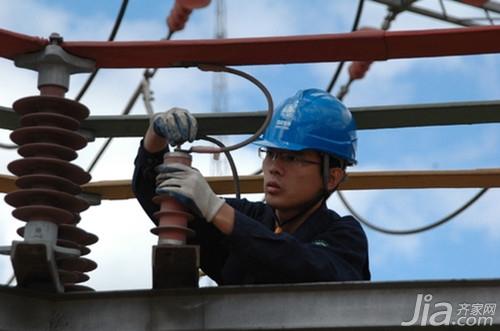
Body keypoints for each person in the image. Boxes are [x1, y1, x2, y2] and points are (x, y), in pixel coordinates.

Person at [132, 88, 370, 285]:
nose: (274, 167)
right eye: (271, 154)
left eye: (291, 158)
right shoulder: (247, 217)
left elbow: (308, 267)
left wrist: (216, 210)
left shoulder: (344, 235)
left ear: (332, 177)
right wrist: (156, 136)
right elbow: (157, 195)